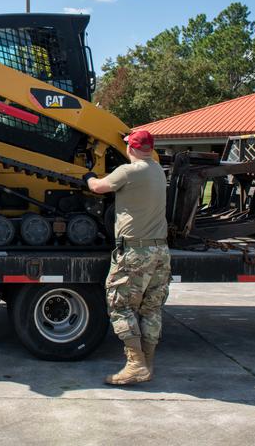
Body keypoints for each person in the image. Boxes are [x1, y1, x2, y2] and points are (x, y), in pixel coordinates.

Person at [84, 129, 170, 385]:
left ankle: (135, 365)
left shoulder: (128, 171)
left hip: (135, 251)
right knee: (151, 308)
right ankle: (147, 363)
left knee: (120, 304)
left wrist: (88, 176)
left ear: (131, 148)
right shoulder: (157, 171)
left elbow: (99, 187)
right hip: (160, 251)